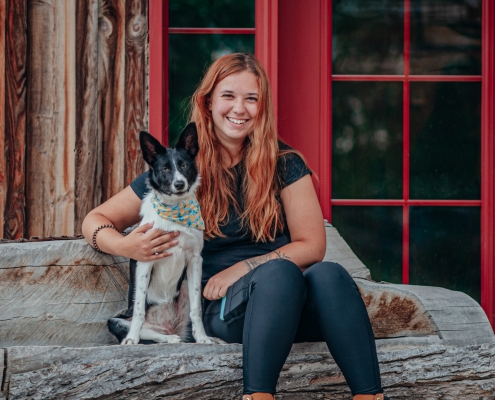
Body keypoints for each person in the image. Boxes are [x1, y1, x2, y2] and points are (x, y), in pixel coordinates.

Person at [82, 53, 386, 400]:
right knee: (280, 273)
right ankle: (257, 396)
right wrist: (125, 246)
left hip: (285, 308)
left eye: (251, 98)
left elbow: (312, 246)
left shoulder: (284, 164)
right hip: (226, 310)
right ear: (208, 102)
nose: (239, 108)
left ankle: (370, 396)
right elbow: (95, 220)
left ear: (262, 107)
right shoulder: (181, 169)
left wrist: (242, 268)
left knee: (329, 274)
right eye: (228, 96)